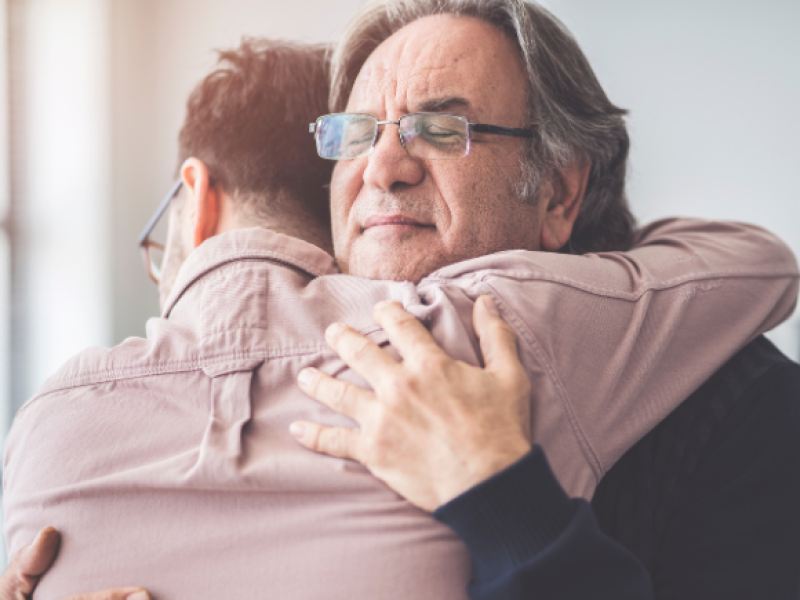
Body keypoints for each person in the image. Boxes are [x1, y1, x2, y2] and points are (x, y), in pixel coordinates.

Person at [2, 14, 797, 600]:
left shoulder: (743, 408)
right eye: (356, 134)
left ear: (557, 191)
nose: (382, 167)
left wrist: (501, 496)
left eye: (439, 129)